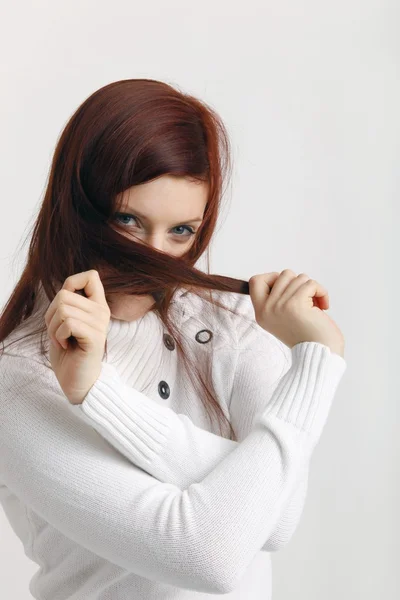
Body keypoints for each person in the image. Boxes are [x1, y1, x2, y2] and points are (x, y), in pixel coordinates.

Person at [0, 79, 347, 600]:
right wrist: (315, 368)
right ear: (78, 208)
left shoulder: (230, 321)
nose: (154, 256)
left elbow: (276, 521)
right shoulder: (17, 381)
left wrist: (99, 395)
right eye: (128, 221)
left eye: (181, 231)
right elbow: (208, 550)